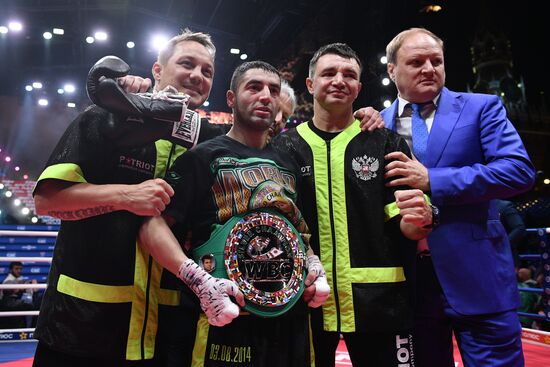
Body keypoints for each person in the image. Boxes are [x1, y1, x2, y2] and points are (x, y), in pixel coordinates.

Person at [32, 29, 221, 367]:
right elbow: (48, 201)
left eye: (207, 71)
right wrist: (126, 195)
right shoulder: (105, 116)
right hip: (82, 326)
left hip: (168, 333)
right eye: (187, 64)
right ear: (158, 70)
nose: (197, 76)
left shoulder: (208, 144)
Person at [138, 60, 329, 367]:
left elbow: (298, 231)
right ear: (231, 98)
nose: (266, 96)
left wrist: (312, 263)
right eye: (254, 87)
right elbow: (152, 224)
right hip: (226, 317)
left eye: (273, 90)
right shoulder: (203, 157)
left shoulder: (289, 162)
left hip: (289, 317)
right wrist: (198, 280)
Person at [381, 27, 536, 367]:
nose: (429, 68)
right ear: (392, 70)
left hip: (479, 279)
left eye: (436, 61)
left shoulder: (482, 107)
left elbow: (518, 171)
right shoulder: (375, 125)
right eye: (416, 61)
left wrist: (432, 179)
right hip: (409, 287)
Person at [271, 43, 433, 367]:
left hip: (382, 302)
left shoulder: (385, 141)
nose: (339, 80)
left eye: (349, 75)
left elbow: (409, 222)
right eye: (329, 73)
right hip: (304, 299)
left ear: (359, 88)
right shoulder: (283, 148)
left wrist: (423, 218)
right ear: (310, 84)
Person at [0, 262, 39, 328]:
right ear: (11, 270)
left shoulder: (20, 279)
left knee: (33, 306)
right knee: (31, 306)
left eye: (20, 269)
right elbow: (14, 290)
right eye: (16, 269)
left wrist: (33, 288)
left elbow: (27, 290)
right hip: (8, 305)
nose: (19, 271)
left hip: (16, 304)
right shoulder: (8, 280)